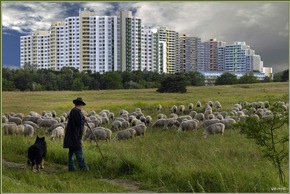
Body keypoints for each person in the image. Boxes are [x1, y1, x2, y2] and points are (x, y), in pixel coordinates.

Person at [63, 97, 89, 171]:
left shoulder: (73, 110)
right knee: (79, 152)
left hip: (71, 136)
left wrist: (82, 118)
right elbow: (78, 123)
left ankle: (71, 168)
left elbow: (77, 120)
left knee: (71, 152)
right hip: (75, 136)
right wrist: (85, 119)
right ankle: (83, 168)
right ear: (80, 105)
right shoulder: (77, 111)